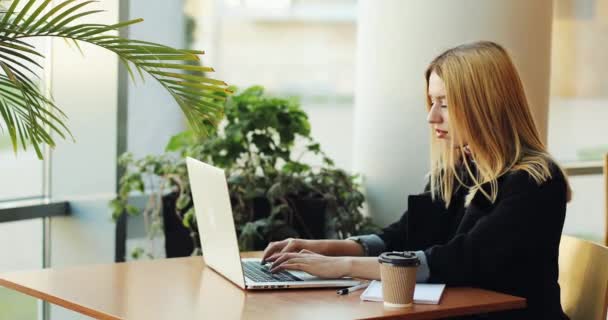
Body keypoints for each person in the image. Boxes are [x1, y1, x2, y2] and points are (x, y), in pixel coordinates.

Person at [261, 41, 571, 319]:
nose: (432, 116)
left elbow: (463, 260)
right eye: (431, 101)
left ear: (485, 104)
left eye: (445, 103)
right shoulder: (460, 170)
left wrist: (342, 267)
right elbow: (404, 236)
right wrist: (326, 248)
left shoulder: (536, 181)